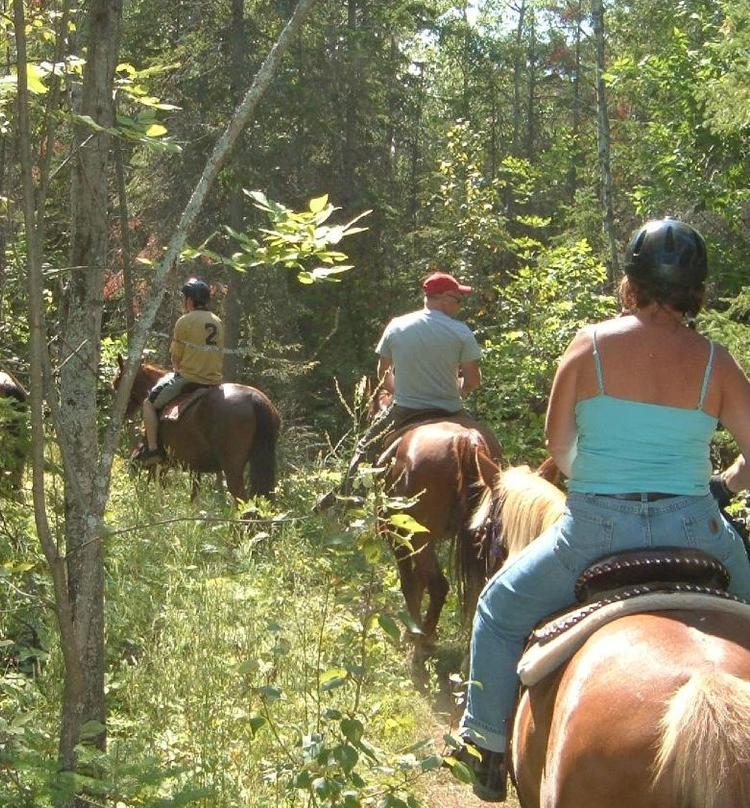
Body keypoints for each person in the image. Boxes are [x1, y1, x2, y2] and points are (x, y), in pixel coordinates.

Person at [453, 217, 750, 802]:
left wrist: (594, 473)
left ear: (631, 282)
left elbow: (558, 444)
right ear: (697, 289)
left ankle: (483, 747)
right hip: (697, 528)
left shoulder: (590, 345)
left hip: (593, 530)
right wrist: (726, 484)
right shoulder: (719, 362)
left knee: (498, 609)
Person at [319, 270, 483, 507]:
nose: (459, 305)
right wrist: (459, 389)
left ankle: (344, 498)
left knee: (366, 447)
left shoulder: (396, 326)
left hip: (406, 410)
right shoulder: (461, 332)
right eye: (458, 299)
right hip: (450, 410)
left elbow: (383, 373)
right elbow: (473, 381)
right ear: (445, 298)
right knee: (489, 447)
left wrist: (400, 390)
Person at [134, 277, 224, 467]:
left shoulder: (184, 321)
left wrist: (179, 369)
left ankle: (152, 449)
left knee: (149, 404)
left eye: (185, 298)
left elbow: (176, 358)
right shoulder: (217, 321)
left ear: (190, 300)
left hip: (190, 378)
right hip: (214, 381)